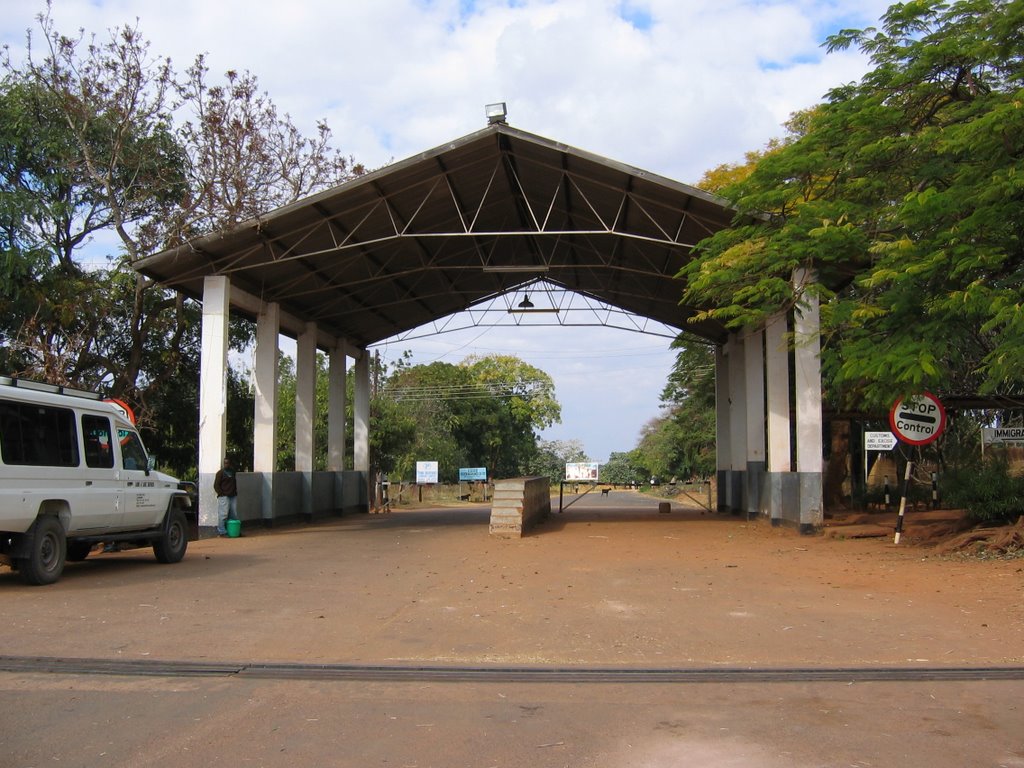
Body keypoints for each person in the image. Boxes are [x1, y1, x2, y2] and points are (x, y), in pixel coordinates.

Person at [214, 456, 238, 536]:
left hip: (233, 495)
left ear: (230, 464)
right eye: (225, 463)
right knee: (223, 514)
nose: (226, 464)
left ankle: (233, 530)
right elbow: (216, 485)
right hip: (224, 496)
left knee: (233, 513)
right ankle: (222, 531)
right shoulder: (220, 473)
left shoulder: (232, 472)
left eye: (227, 463)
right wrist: (221, 493)